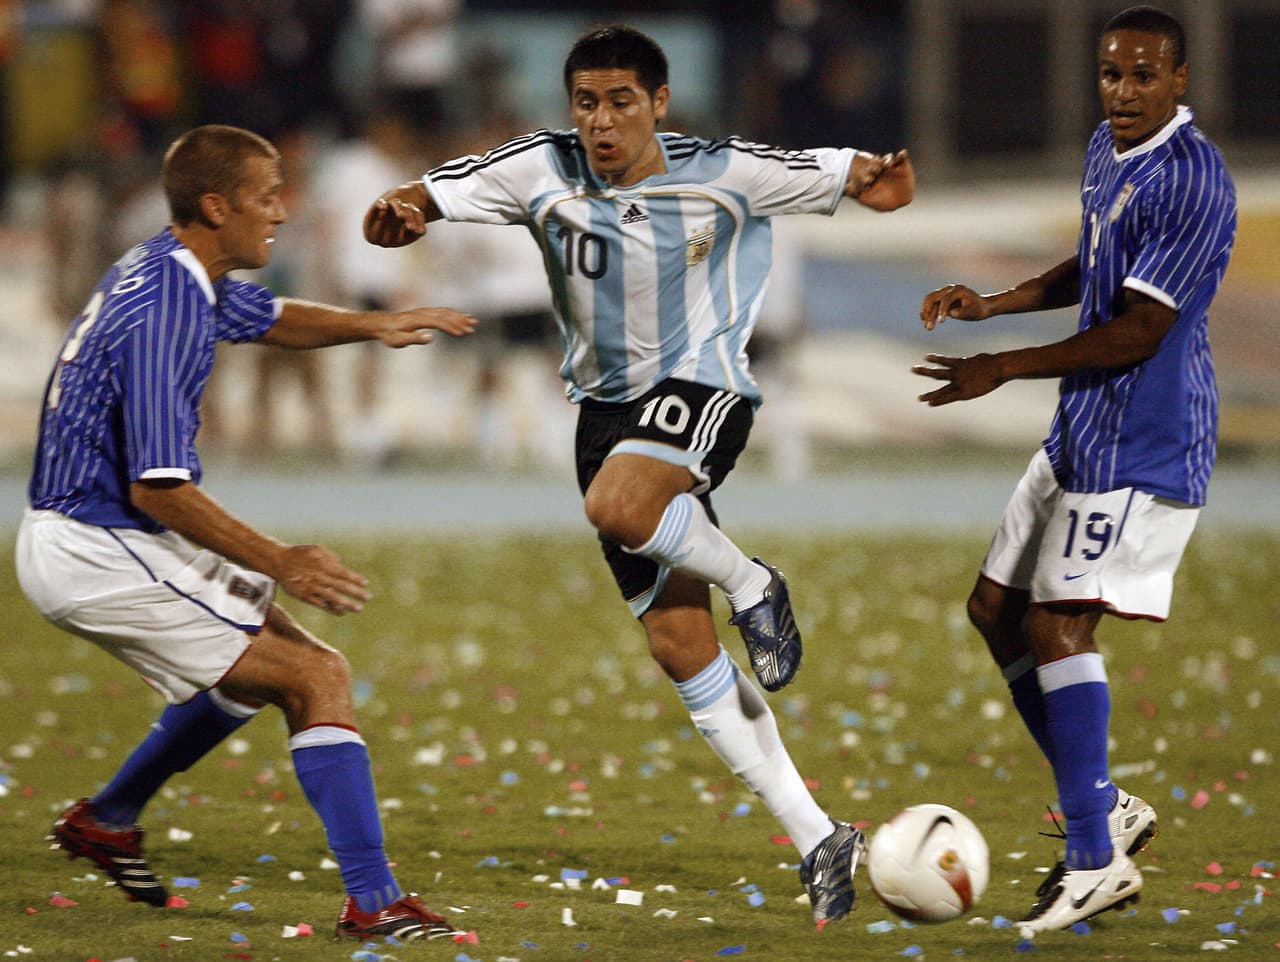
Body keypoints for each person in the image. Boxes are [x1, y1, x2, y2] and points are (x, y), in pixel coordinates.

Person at [365, 24, 915, 925]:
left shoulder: (727, 169)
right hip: (606, 415)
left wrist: (885, 179)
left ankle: (752, 579)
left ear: (658, 103)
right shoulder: (537, 168)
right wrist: (396, 214)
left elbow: (873, 180)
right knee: (679, 648)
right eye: (587, 102)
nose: (602, 122)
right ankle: (820, 835)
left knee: (619, 505)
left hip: (703, 383)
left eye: (622, 102)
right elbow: (417, 200)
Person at [16, 125, 477, 942]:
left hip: (101, 532)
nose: (282, 210)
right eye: (267, 196)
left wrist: (373, 326)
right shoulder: (165, 307)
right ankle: (373, 901)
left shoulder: (178, 270)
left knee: (257, 670)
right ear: (216, 204)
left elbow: (270, 317)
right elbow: (157, 487)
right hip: (98, 543)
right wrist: (281, 559)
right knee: (314, 675)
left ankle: (110, 817)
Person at [913, 6, 1236, 937]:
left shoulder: (1196, 180)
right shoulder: (1108, 148)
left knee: (1058, 624)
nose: (1123, 92)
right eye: (1110, 75)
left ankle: (1095, 859)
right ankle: (1108, 809)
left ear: (1180, 82)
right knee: (994, 609)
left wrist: (1002, 368)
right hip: (1084, 422)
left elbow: (1141, 327)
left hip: (1148, 435)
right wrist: (994, 308)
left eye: (1143, 77)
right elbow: (1093, 261)